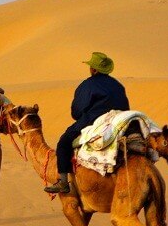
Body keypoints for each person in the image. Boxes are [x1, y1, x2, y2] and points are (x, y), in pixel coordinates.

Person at [44, 52, 130, 194]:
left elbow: (77, 111)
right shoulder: (118, 85)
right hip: (119, 121)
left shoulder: (88, 85)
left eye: (91, 67)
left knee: (64, 143)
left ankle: (63, 182)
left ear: (94, 70)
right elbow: (125, 106)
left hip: (93, 121)